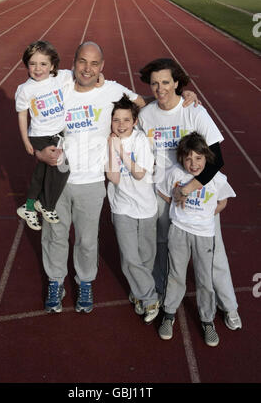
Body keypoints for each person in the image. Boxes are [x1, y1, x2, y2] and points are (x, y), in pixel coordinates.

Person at [36, 44, 198, 315]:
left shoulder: (111, 90)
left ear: (102, 67)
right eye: (83, 62)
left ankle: (84, 281)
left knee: (87, 240)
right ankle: (55, 281)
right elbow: (36, 119)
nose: (88, 69)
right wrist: (40, 152)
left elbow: (145, 103)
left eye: (95, 63)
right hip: (58, 178)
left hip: (91, 181)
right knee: (54, 235)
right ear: (72, 63)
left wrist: (182, 96)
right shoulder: (58, 87)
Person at [138, 58, 242, 331]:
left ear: (177, 83)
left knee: (214, 254)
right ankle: (160, 294)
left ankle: (228, 305)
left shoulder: (193, 110)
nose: (160, 88)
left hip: (196, 196)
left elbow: (216, 159)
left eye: (166, 82)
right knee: (162, 247)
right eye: (155, 83)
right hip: (163, 194)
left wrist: (187, 190)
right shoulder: (146, 115)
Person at [157, 132, 236, 347]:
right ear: (181, 158)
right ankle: (169, 314)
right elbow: (164, 192)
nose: (193, 164)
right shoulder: (175, 173)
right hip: (179, 231)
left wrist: (207, 214)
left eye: (198, 158)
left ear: (206, 158)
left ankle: (207, 319)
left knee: (204, 279)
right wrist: (174, 202)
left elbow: (223, 202)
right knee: (176, 275)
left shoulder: (216, 179)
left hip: (204, 235)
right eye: (188, 158)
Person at [106, 95, 159, 324]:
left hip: (146, 207)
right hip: (122, 207)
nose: (121, 124)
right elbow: (114, 177)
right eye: (116, 119)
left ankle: (138, 292)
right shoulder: (109, 142)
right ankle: (150, 299)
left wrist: (121, 152)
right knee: (129, 257)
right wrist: (112, 148)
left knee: (146, 256)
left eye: (126, 119)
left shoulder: (141, 141)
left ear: (135, 121)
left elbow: (139, 173)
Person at [15, 41, 71, 231]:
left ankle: (30, 207)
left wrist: (101, 76)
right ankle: (46, 205)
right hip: (40, 135)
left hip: (57, 134)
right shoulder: (25, 90)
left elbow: (82, 75)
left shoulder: (61, 77)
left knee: (42, 173)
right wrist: (25, 141)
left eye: (43, 64)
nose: (38, 69)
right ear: (26, 65)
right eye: (32, 64)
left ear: (53, 66)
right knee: (61, 167)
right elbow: (22, 115)